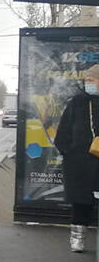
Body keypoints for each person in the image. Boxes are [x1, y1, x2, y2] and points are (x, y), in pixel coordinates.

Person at [53, 64, 99, 252]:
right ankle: (77, 238)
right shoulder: (78, 102)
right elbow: (63, 131)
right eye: (86, 80)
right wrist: (69, 151)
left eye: (91, 79)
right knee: (81, 202)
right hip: (80, 162)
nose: (88, 83)